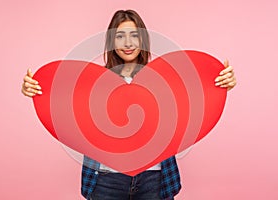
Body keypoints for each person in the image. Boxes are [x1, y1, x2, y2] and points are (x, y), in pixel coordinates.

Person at [21, 9, 236, 200]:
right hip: (106, 179)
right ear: (111, 42)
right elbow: (59, 100)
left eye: (134, 35)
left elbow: (197, 95)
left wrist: (221, 81)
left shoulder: (166, 81)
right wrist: (34, 89)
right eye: (120, 36)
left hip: (155, 178)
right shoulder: (91, 83)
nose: (128, 43)